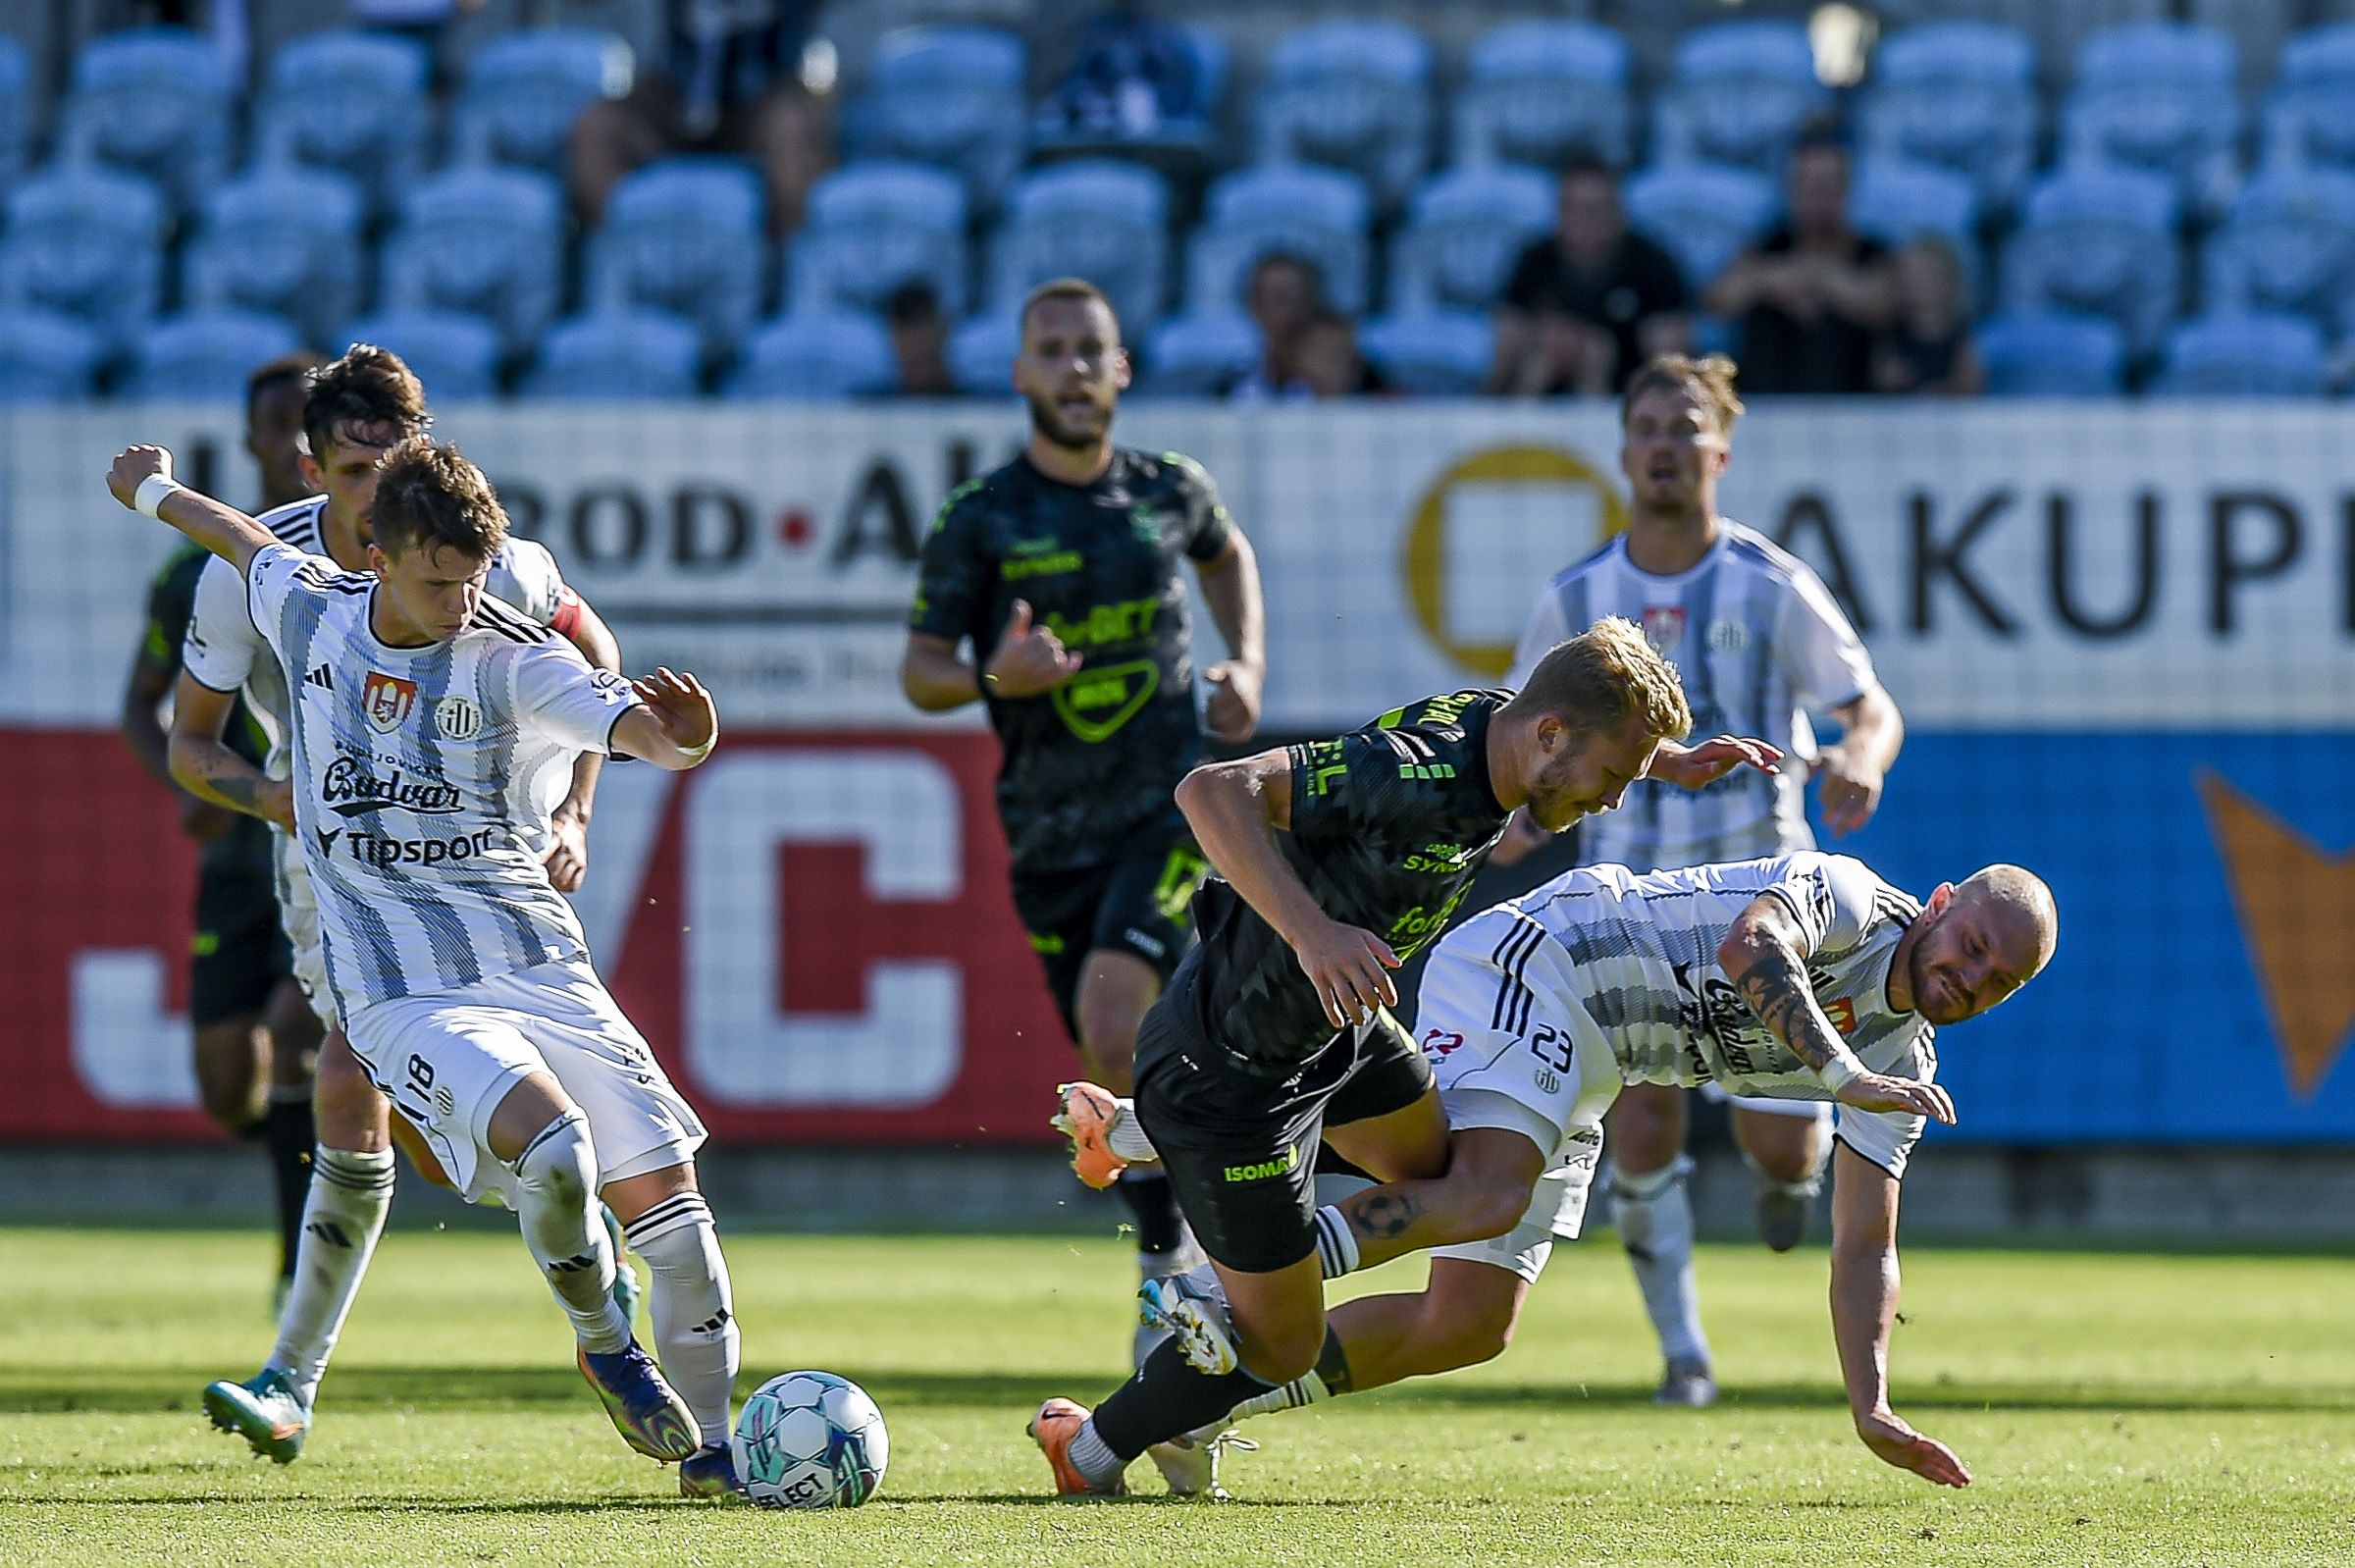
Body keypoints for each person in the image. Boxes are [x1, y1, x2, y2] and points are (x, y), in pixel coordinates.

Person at [110, 436, 744, 1496]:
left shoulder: (511, 653)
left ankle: (717, 1454)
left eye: (477, 576)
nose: (463, 600)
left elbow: (632, 726)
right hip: (401, 986)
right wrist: (151, 489)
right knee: (553, 1146)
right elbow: (237, 534)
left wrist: (686, 739)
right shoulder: (311, 606)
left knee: (677, 1220)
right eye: (442, 579)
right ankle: (604, 1336)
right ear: (381, 553)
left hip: (539, 959)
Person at [1033, 622, 1784, 1497]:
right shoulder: (1418, 769)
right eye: (1611, 779)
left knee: (1446, 1176)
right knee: (1286, 1345)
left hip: (1339, 1033)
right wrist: (1312, 934)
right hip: (1231, 1072)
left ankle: (1132, 1138)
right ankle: (1089, 1453)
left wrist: (1665, 759)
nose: (1611, 801)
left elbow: (1576, 719)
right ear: (1549, 739)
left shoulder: (1512, 733)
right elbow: (1211, 790)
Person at [1119, 854, 2057, 1493]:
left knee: (1469, 1325)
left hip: (1594, 1065)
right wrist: (1845, 1074)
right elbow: (1751, 949)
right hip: (1543, 960)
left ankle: (1196, 1398)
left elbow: (1863, 1246)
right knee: (1480, 1183)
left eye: (2000, 981)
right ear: (1939, 904)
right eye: (1974, 945)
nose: (1973, 977)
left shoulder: (1907, 1067)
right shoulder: (1846, 896)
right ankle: (1206, 1252)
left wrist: (1872, 1404)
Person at [173, 346, 634, 1468]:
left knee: (407, 1118)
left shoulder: (500, 568)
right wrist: (276, 793)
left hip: (486, 861)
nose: (374, 494)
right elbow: (192, 742)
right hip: (335, 870)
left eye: (393, 464)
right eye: (350, 471)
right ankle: (297, 1375)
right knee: (354, 1083)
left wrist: (574, 812)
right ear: (311, 464)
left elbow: (602, 660)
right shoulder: (255, 568)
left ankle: (583, 1280)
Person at [1498, 351, 1906, 1406]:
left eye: (1686, 428)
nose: (1665, 446)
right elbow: (1523, 746)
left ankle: (1788, 1177)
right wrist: (1491, 838)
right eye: (1647, 426)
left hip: (1752, 901)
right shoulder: (1578, 597)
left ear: (1720, 450)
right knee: (1639, 1120)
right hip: (1624, 900)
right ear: (1625, 448)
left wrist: (1859, 757)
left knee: (1781, 1142)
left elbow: (1868, 704)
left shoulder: (1769, 581)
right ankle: (1683, 1351)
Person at [901, 277, 1268, 1363]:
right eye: (1049, 349)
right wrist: (992, 674)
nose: (1069, 368)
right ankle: (1178, 1240)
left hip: (1168, 810)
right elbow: (920, 670)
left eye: (1088, 349)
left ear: (1121, 370)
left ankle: (1167, 1275)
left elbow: (1226, 553)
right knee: (1108, 1058)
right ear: (1019, 372)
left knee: (1117, 1017)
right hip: (1048, 836)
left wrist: (1243, 657)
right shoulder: (982, 517)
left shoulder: (1170, 489)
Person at [118, 351, 326, 1307]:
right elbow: (141, 703)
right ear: (247, 440)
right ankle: (320, 1138)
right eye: (274, 423)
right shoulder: (190, 573)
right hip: (239, 852)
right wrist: (184, 777)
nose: (290, 442)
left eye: (306, 423)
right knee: (223, 1083)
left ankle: (299, 1263)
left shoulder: (354, 565)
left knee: (295, 1033)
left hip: (326, 856)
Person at [569, 0, 832, 237]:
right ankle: (613, 268)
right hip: (672, 104)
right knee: (596, 128)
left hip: (757, 109)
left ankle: (782, 275)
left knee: (790, 129)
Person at [1705, 134, 1896, 395]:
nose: (1817, 196)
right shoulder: (1765, 245)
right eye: (1807, 184)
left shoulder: (1873, 253)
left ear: (1846, 189)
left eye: (1827, 185)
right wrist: (1829, 284)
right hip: (1766, 411)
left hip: (1857, 413)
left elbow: (1886, 305)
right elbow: (1720, 301)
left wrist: (1805, 276)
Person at [1489, 160, 1690, 397]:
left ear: (1618, 211)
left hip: (1630, 391)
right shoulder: (1534, 262)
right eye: (1573, 208)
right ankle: (1510, 426)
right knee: (1537, 359)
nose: (1583, 219)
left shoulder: (1652, 264)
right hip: (1544, 385)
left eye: (1594, 209)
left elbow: (1673, 354)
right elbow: (1509, 333)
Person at [1871, 236, 1984, 396]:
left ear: (1949, 280)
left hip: (1949, 417)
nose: (1918, 285)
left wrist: (1942, 392)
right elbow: (1880, 378)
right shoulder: (1890, 332)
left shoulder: (1961, 334)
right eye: (1912, 277)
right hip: (1899, 416)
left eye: (1927, 277)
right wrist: (1890, 377)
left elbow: (1970, 384)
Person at [1226, 252, 1325, 402]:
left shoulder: (1354, 379)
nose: (1286, 307)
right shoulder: (1228, 385)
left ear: (1312, 302)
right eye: (1276, 297)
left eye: (1295, 296)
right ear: (1252, 305)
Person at [882, 280, 956, 397]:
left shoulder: (983, 405)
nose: (916, 340)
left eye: (919, 324)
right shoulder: (866, 407)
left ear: (943, 330)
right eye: (905, 326)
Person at [1294, 311, 1388, 399]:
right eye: (1318, 353)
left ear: (1356, 366)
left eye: (1336, 355)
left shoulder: (1381, 404)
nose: (1326, 364)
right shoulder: (1286, 399)